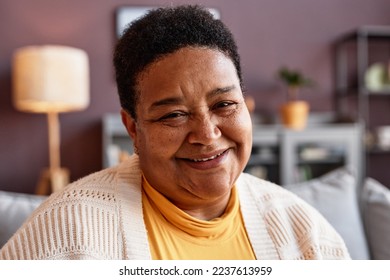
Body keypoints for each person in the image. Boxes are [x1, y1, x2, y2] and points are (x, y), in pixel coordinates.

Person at [0, 5, 350, 260]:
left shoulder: (305, 233)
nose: (207, 134)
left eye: (225, 105)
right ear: (133, 129)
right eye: (174, 115)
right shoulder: (65, 232)